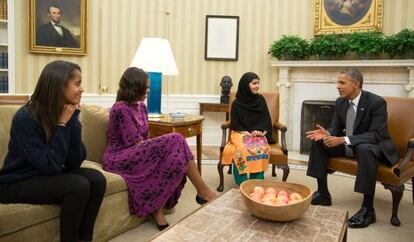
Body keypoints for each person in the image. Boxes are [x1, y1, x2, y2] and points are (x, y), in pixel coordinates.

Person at [0, 60, 106, 242]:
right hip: (16, 181)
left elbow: (74, 161)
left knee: (97, 179)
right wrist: (63, 124)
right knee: (77, 185)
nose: (82, 89)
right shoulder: (25, 118)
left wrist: (72, 121)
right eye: (77, 83)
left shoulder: (64, 111)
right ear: (59, 85)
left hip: (43, 173)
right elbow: (51, 166)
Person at [102, 67, 217, 230]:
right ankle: (203, 192)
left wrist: (159, 148)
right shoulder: (119, 108)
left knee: (176, 154)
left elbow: (144, 138)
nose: (148, 90)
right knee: (176, 138)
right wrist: (160, 147)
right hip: (119, 156)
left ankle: (159, 209)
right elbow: (133, 142)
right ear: (135, 86)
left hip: (137, 150)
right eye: (146, 86)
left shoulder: (141, 106)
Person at [306, 68, 398, 228]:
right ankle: (323, 194)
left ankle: (368, 209)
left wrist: (343, 139)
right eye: (337, 82)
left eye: (342, 82)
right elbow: (336, 127)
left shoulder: (376, 102)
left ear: (356, 84)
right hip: (350, 145)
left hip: (373, 146)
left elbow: (376, 134)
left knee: (364, 149)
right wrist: (327, 133)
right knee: (318, 142)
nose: (337, 86)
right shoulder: (341, 102)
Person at [221, 72, 274, 185]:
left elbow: (266, 120)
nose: (257, 86)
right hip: (240, 133)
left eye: (258, 83)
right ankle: (242, 184)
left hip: (258, 134)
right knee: (243, 150)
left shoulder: (261, 100)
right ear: (246, 85)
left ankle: (256, 183)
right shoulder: (236, 103)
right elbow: (235, 124)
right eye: (254, 83)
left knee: (260, 149)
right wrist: (247, 133)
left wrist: (259, 131)